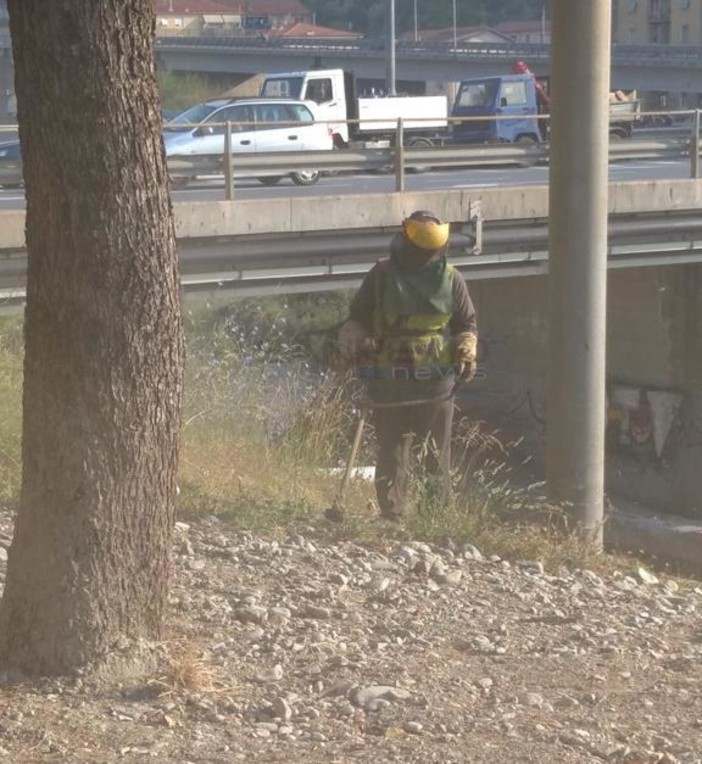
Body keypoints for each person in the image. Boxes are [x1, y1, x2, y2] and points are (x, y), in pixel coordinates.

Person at [336, 211, 478, 522]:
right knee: (400, 452)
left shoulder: (449, 278)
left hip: (425, 381)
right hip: (399, 380)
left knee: (417, 453)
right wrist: (353, 340)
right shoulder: (384, 275)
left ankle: (422, 517)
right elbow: (358, 318)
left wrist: (466, 348)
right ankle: (401, 516)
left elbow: (466, 324)